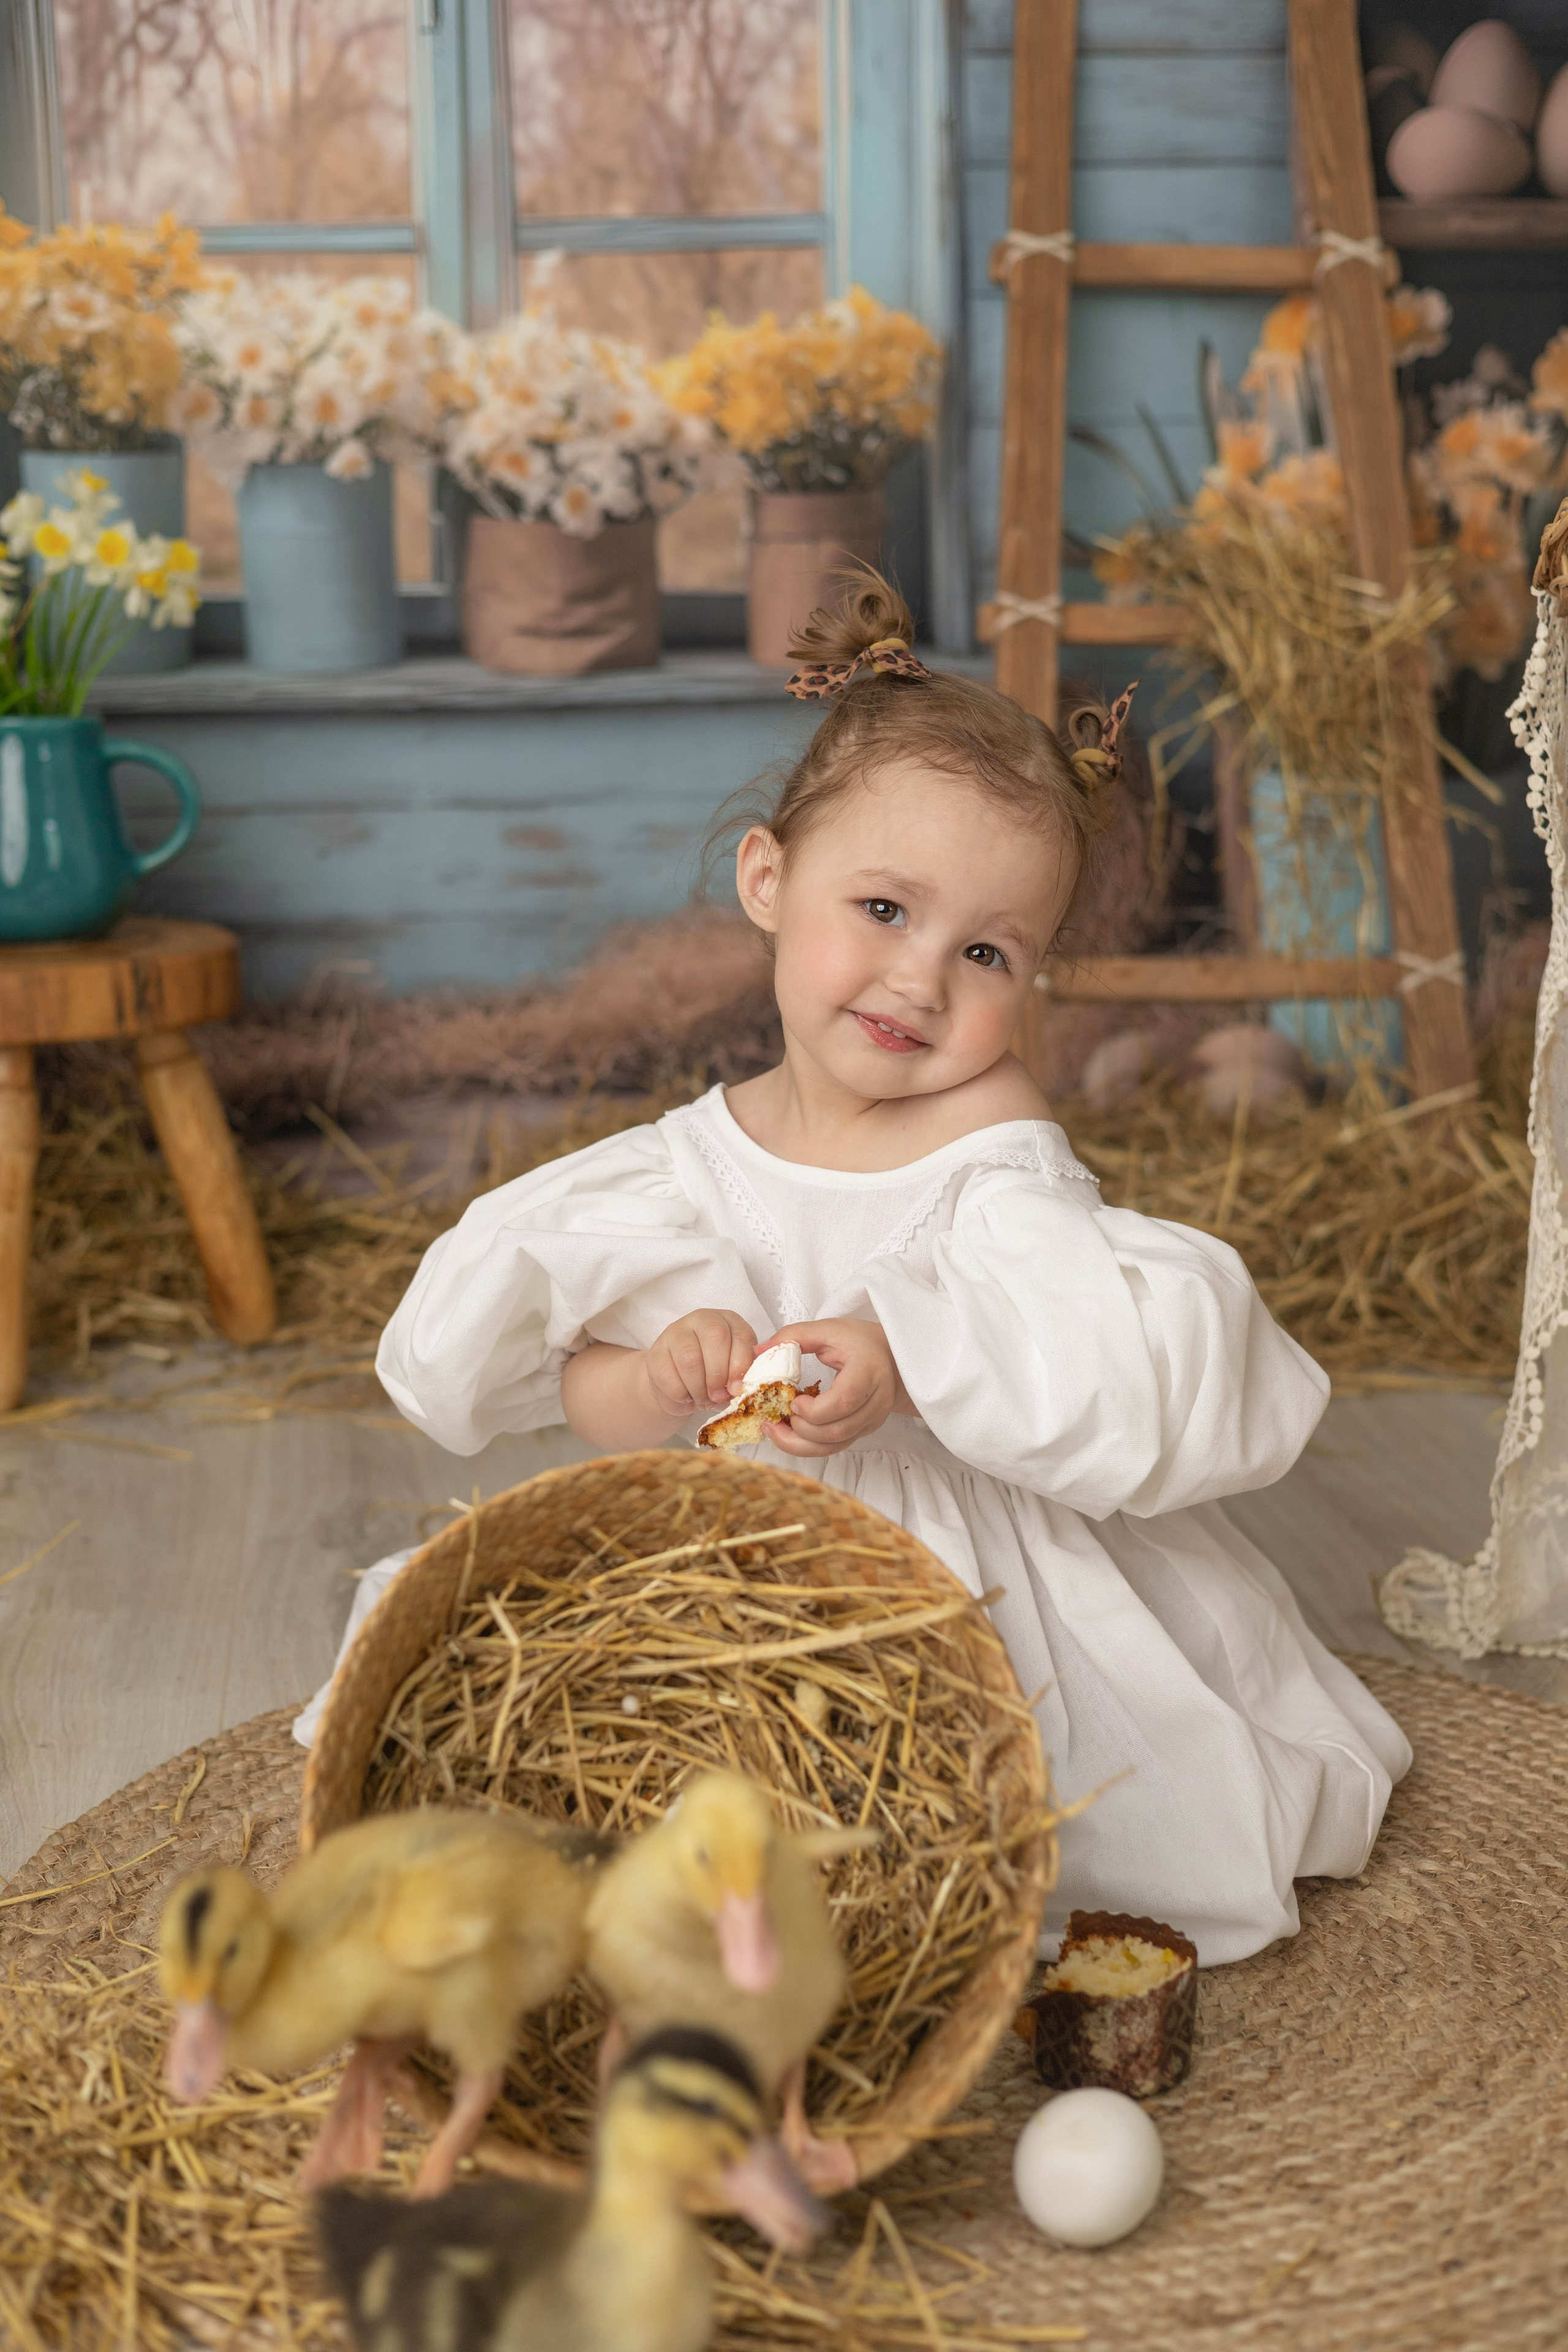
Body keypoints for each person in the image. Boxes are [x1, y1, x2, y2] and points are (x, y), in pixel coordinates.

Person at [296, 568, 1410, 1966]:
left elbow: (1093, 1369)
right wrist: (653, 1379)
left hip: (957, 1574)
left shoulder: (993, 1150)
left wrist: (911, 1363)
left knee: (968, 1819)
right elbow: (563, 1386)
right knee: (606, 1778)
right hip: (727, 1568)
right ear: (767, 881)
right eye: (882, 909)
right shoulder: (678, 1170)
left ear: (1035, 975)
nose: (921, 981)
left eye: (986, 950)